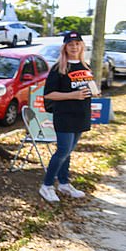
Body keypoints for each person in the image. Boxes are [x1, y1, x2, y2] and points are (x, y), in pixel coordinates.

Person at [39, 31, 93, 202]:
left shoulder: (85, 66)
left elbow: (86, 88)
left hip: (81, 115)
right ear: (65, 47)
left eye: (77, 43)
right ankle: (46, 186)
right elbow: (48, 94)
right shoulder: (58, 68)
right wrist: (73, 95)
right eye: (71, 44)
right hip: (64, 116)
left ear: (82, 46)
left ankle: (64, 183)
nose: (74, 47)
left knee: (69, 151)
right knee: (62, 150)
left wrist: (93, 90)